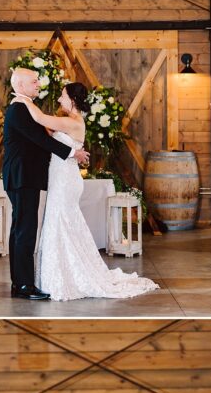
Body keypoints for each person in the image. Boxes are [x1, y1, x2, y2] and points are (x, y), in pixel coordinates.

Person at [11, 82, 159, 301]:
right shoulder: (66, 121)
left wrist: (22, 99)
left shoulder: (72, 122)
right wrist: (72, 151)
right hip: (61, 178)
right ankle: (59, 273)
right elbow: (45, 132)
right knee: (59, 222)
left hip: (65, 181)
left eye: (62, 95)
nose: (59, 99)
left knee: (60, 221)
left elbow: (41, 119)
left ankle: (65, 276)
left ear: (72, 100)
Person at [2, 68, 90, 301]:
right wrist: (73, 153)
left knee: (21, 229)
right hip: (23, 177)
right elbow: (40, 139)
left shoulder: (24, 106)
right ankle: (24, 286)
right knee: (25, 231)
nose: (38, 83)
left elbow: (43, 133)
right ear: (20, 85)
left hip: (24, 177)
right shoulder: (20, 107)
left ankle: (19, 282)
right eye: (34, 81)